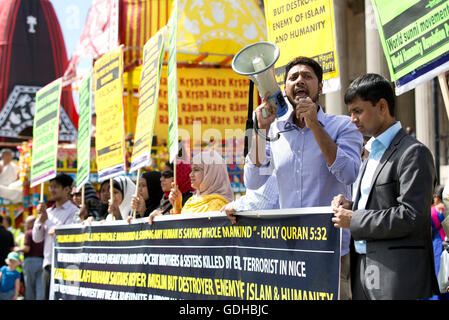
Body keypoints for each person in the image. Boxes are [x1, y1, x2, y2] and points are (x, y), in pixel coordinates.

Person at [243, 56, 363, 300]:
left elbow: (348, 173)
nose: (299, 81)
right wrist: (260, 132)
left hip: (330, 252)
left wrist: (315, 125)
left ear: (320, 87)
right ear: (284, 89)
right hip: (289, 253)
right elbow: (252, 180)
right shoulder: (274, 130)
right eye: (293, 77)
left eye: (307, 76)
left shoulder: (342, 126)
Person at [331, 73, 439, 300]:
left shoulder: (413, 152)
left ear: (381, 106)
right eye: (350, 112)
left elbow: (412, 215)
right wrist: (352, 205)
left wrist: (355, 219)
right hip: (364, 272)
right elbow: (379, 203)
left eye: (357, 111)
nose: (352, 119)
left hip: (397, 278)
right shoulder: (370, 154)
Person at [149, 150, 233, 224]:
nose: (190, 175)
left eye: (196, 170)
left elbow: (194, 236)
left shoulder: (218, 205)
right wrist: (177, 207)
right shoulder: (191, 200)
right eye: (191, 170)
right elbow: (180, 232)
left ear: (211, 173)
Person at [32, 173, 79, 300]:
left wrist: (46, 221)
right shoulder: (47, 212)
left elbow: (65, 235)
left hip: (65, 266)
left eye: (56, 187)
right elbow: (36, 238)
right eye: (50, 187)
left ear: (67, 189)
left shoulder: (74, 211)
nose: (52, 190)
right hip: (48, 265)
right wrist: (40, 220)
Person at [14, 216, 43, 300]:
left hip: (30, 261)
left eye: (27, 223)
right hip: (42, 261)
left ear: (32, 223)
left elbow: (27, 249)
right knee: (40, 287)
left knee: (29, 287)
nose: (25, 225)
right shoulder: (42, 232)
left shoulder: (28, 233)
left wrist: (16, 249)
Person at [429, 185, 449, 300]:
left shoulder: (432, 211)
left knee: (438, 273)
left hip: (437, 245)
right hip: (447, 243)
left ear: (436, 197)